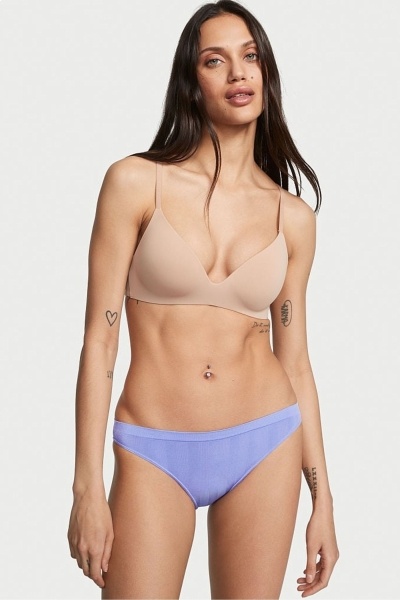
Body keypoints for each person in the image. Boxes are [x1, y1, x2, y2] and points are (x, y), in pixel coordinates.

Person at [67, 1, 339, 597]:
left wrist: (323, 499)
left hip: (265, 442)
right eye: (215, 61)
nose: (238, 73)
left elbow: (296, 362)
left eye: (250, 56)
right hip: (153, 449)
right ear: (192, 82)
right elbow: (99, 340)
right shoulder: (136, 182)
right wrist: (87, 486)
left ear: (266, 72)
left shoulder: (292, 218)